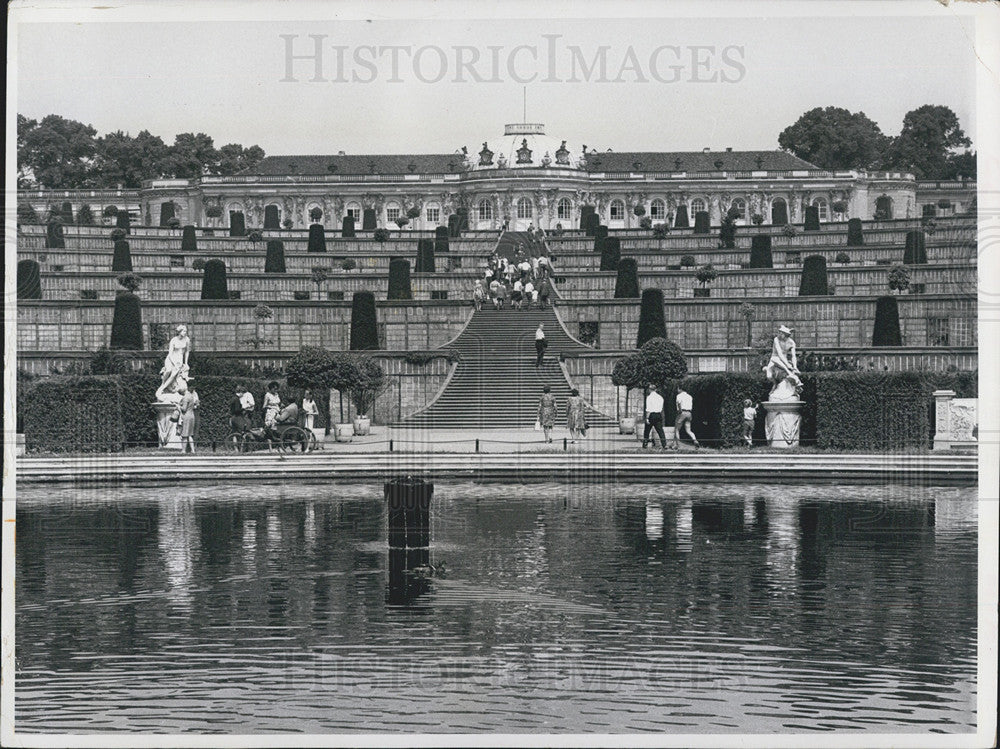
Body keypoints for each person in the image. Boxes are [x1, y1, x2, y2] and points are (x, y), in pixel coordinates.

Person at [156, 324, 191, 401]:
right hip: (171, 359)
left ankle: (164, 387)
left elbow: (187, 352)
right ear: (179, 331)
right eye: (184, 331)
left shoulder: (187, 340)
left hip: (179, 359)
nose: (185, 333)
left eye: (186, 331)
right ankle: (163, 384)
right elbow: (170, 354)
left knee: (174, 373)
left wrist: (186, 363)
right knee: (168, 370)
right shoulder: (174, 340)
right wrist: (174, 363)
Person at [764, 325, 801, 389]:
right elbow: (779, 354)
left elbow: (793, 356)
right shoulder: (776, 339)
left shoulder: (791, 343)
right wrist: (787, 365)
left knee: (788, 371)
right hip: (775, 359)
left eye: (781, 333)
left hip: (784, 361)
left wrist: (795, 367)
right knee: (769, 376)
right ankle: (775, 383)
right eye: (779, 333)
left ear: (785, 334)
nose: (779, 334)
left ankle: (790, 374)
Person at [642, 384, 667, 449]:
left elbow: (648, 409)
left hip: (651, 415)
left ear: (649, 390)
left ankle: (645, 444)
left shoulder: (649, 397)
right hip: (658, 414)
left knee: (647, 430)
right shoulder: (660, 397)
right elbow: (661, 408)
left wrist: (647, 418)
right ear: (655, 389)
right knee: (660, 431)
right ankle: (664, 444)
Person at [177, 381, 199, 454]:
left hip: (186, 416)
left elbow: (184, 409)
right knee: (190, 434)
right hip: (192, 415)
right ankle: (193, 450)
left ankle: (183, 450)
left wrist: (178, 406)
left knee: (184, 434)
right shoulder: (192, 396)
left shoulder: (186, 397)